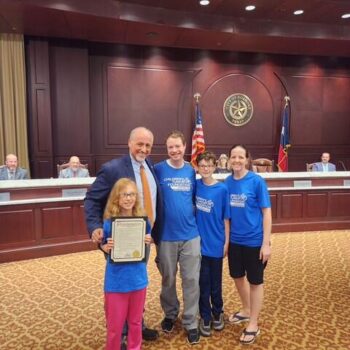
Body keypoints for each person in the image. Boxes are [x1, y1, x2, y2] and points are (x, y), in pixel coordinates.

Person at [84, 126, 163, 344]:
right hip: (118, 239)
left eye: (148, 145)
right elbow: (91, 200)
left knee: (137, 283)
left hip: (144, 237)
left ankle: (136, 323)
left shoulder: (150, 166)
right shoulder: (112, 169)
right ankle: (121, 331)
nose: (144, 149)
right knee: (122, 282)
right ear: (129, 143)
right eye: (140, 144)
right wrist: (94, 228)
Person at [154, 130, 201, 345]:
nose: (174, 150)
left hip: (191, 234)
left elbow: (195, 199)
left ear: (184, 148)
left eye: (178, 147)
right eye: (170, 147)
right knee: (168, 278)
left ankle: (191, 321)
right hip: (166, 236)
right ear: (167, 149)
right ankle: (171, 314)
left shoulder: (191, 171)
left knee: (191, 279)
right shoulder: (158, 170)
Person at [225, 144, 272, 345]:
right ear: (229, 160)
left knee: (255, 281)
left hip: (254, 241)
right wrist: (226, 241)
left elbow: (266, 212)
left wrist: (266, 243)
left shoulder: (256, 181)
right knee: (236, 276)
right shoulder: (226, 182)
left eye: (240, 157)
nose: (236, 160)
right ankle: (245, 309)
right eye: (233, 157)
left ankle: (253, 323)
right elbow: (226, 216)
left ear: (247, 159)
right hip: (235, 241)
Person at [100, 178, 152, 350]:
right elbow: (103, 244)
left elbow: (147, 241)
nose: (129, 198)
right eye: (125, 195)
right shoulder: (109, 223)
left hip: (138, 280)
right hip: (116, 282)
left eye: (132, 194)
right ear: (117, 198)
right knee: (114, 326)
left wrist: (147, 240)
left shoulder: (144, 222)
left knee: (136, 322)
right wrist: (105, 247)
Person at [195, 151, 230, 337]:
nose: (205, 169)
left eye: (209, 165)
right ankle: (205, 316)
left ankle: (218, 312)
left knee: (216, 283)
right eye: (202, 166)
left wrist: (226, 242)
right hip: (199, 245)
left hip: (216, 243)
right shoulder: (196, 185)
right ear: (198, 167)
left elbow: (226, 219)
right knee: (203, 283)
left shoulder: (222, 189)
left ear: (214, 166)